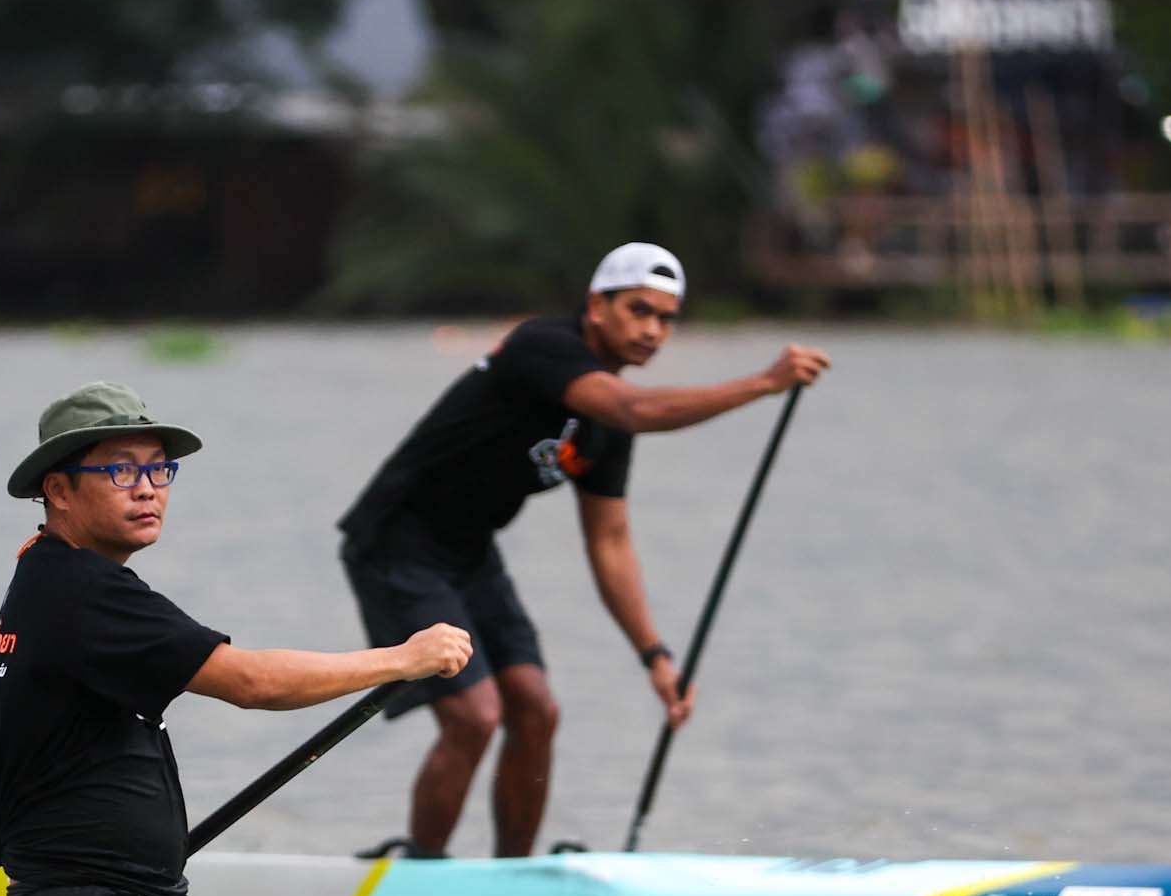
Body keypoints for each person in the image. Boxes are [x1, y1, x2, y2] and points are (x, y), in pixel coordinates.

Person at [0, 382, 474, 896]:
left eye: (157, 469)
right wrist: (402, 658)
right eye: (119, 470)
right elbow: (254, 683)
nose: (147, 489)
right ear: (59, 490)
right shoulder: (77, 592)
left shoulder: (64, 579)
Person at [339, 242, 831, 857]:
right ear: (597, 305)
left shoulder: (609, 430)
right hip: (396, 540)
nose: (653, 330)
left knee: (538, 711)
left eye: (666, 319)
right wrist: (763, 383)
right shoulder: (541, 346)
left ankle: (510, 880)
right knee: (475, 715)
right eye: (639, 310)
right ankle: (420, 870)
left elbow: (611, 541)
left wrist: (655, 657)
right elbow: (638, 406)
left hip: (471, 553)